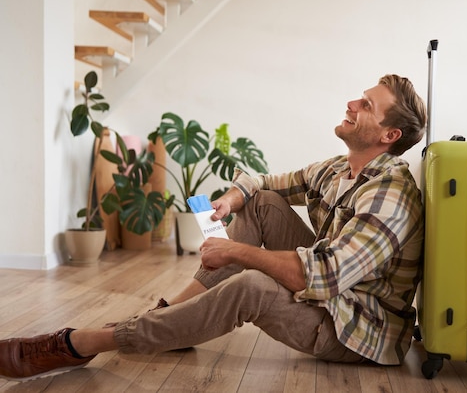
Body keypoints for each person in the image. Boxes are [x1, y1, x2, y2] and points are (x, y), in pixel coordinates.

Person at [0, 74, 427, 382]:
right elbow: (262, 182)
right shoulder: (340, 169)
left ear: (389, 134)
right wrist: (231, 199)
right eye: (360, 97)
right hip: (336, 294)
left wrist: (238, 253)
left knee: (253, 286)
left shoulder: (391, 192)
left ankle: (82, 343)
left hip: (359, 328)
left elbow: (325, 275)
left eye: (366, 105)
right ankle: (168, 317)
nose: (352, 103)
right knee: (262, 204)